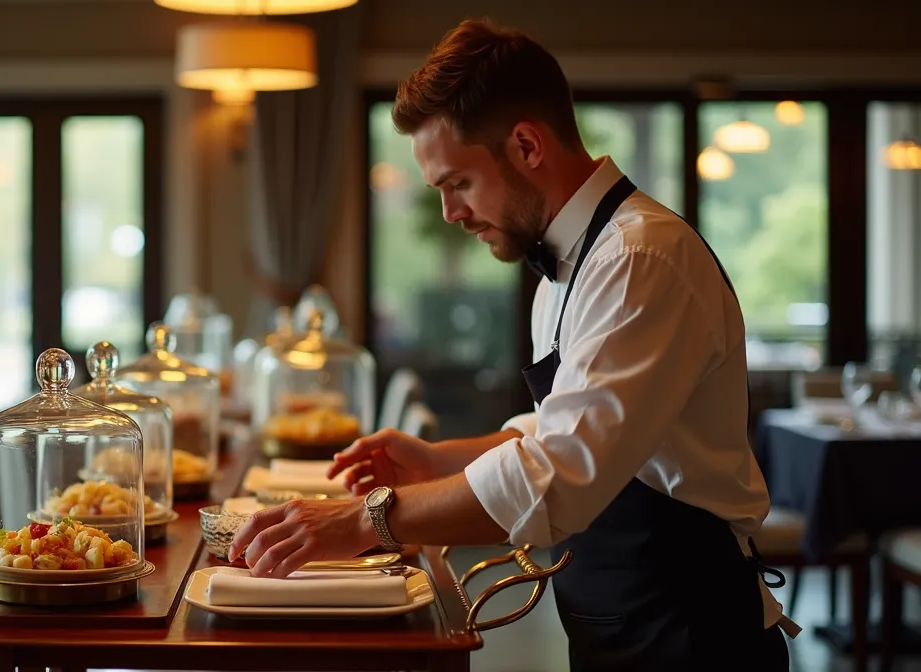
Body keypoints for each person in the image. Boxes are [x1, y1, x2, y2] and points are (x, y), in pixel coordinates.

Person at [229, 17, 799, 671]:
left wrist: (364, 519)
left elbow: (561, 472)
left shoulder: (641, 257)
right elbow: (556, 430)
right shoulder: (565, 261)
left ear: (527, 145)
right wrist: (437, 460)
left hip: (693, 639)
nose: (449, 213)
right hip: (619, 630)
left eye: (457, 184)